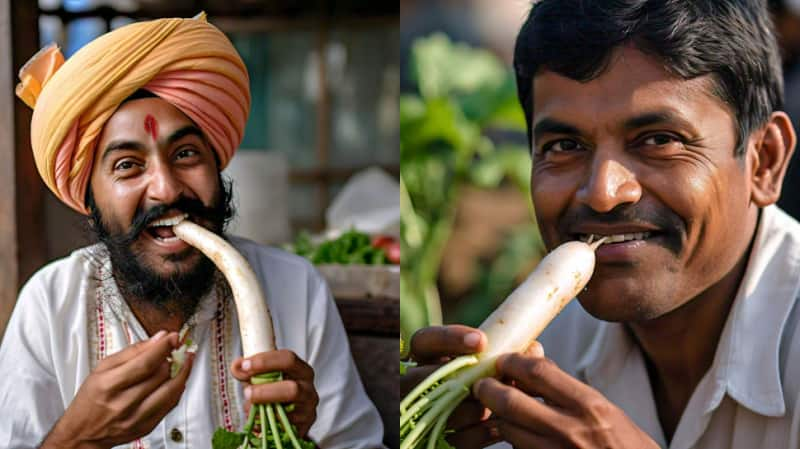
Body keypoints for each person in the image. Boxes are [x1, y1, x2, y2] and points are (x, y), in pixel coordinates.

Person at [403, 0, 800, 448]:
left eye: (659, 140)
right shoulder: (553, 344)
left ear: (764, 162)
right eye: (564, 145)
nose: (603, 192)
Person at [0, 13, 384, 449]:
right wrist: (78, 438)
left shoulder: (297, 290)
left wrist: (303, 440)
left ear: (217, 169)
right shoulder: (50, 305)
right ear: (91, 202)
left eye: (185, 154)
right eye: (128, 165)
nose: (165, 188)